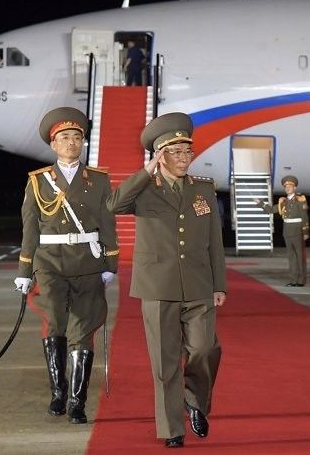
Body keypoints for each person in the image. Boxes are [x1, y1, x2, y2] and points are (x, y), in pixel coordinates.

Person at [107, 112, 226, 449]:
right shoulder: (145, 190)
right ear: (160, 156)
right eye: (176, 152)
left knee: (205, 349)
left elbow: (214, 241)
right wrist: (146, 172)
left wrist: (219, 284)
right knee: (165, 362)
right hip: (158, 286)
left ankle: (193, 399)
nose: (184, 158)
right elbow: (114, 204)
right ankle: (173, 428)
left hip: (199, 284)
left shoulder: (202, 189)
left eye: (187, 152)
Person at [16, 107, 119, 424]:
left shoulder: (99, 180)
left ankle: (77, 402)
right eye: (65, 138)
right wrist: (24, 271)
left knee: (82, 329)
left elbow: (107, 223)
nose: (72, 143)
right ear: (53, 144)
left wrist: (109, 263)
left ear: (83, 143)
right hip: (50, 263)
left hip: (87, 262)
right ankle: (58, 393)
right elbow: (30, 228)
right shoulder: (38, 181)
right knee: (56, 325)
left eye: (77, 137)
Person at [256, 175, 310, 287]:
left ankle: (301, 280)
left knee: (299, 256)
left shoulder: (300, 200)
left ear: (294, 188)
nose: (288, 188)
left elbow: (304, 216)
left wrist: (305, 232)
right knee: (291, 257)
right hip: (287, 231)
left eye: (290, 186)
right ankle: (293, 280)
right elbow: (271, 210)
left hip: (297, 229)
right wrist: (260, 203)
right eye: (286, 187)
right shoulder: (283, 202)